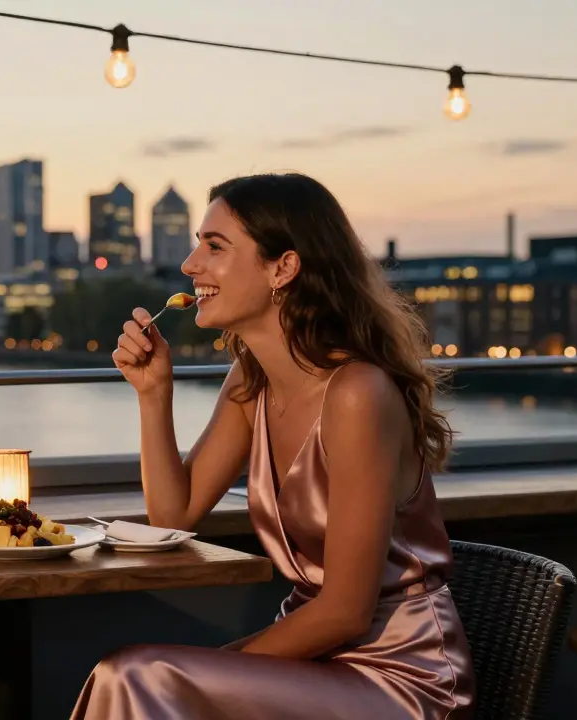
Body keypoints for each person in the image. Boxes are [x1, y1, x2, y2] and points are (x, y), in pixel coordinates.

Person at [73, 173, 473, 719]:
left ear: (283, 267)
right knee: (134, 677)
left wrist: (211, 670)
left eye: (214, 246)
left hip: (399, 679)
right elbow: (174, 513)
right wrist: (153, 395)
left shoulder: (357, 393)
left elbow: (347, 614)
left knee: (135, 676)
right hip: (310, 667)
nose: (190, 265)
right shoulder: (249, 380)